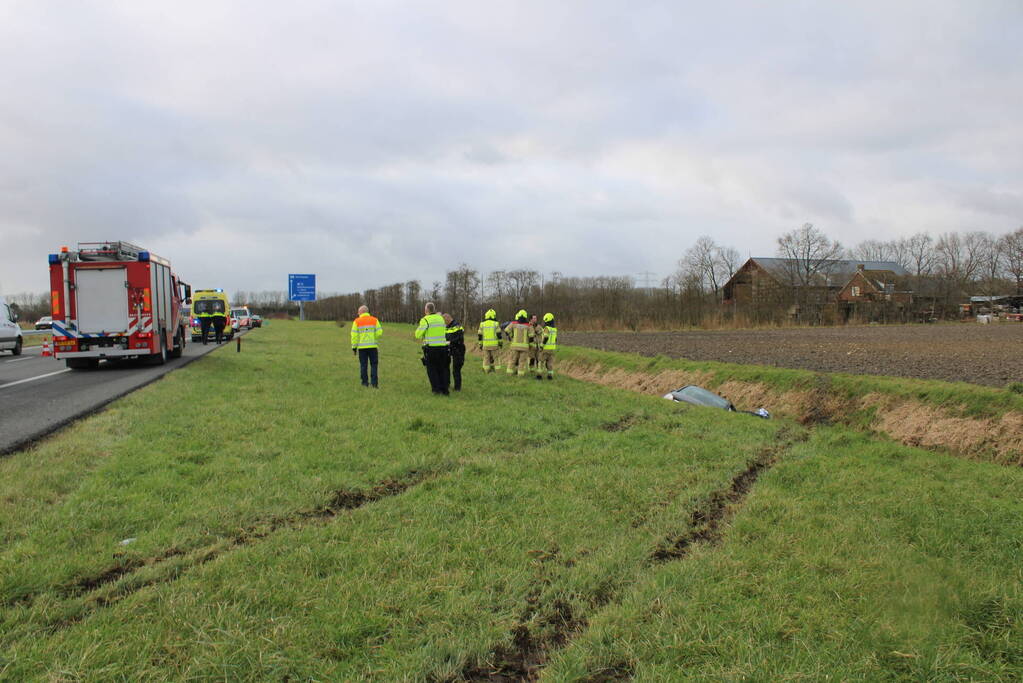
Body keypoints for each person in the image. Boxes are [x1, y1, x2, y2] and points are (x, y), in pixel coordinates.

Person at [415, 302, 450, 394]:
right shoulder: (441, 319)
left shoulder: (425, 320)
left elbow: (418, 335)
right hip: (443, 348)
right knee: (442, 369)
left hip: (431, 348)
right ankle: (445, 389)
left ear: (426, 310)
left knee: (432, 370)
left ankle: (436, 389)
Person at [350, 305, 383, 388]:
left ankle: (364, 383)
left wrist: (354, 347)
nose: (357, 313)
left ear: (361, 312)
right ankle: (374, 384)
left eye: (358, 311)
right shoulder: (375, 320)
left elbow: (354, 336)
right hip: (373, 347)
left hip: (362, 348)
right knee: (374, 365)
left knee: (363, 365)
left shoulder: (356, 321)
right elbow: (379, 333)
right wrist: (374, 338)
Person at [504, 309, 534, 376]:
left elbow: (506, 330)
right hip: (524, 347)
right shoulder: (529, 326)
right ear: (525, 317)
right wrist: (530, 345)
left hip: (514, 346)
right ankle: (520, 375)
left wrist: (511, 337)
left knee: (512, 360)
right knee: (522, 362)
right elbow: (531, 337)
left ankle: (509, 374)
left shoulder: (513, 324)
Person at [443, 313, 466, 391]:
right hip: (450, 349)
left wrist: (450, 342)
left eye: (445, 321)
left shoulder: (457, 326)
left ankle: (457, 388)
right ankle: (447, 384)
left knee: (456, 369)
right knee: (446, 367)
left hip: (458, 350)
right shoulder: (447, 327)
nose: (444, 323)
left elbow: (459, 339)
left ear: (448, 319)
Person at [536, 312, 558, 380]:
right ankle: (550, 376)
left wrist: (541, 345)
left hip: (545, 349)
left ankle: (539, 376)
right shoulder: (554, 329)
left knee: (541, 362)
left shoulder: (546, 328)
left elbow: (545, 337)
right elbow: (555, 339)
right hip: (552, 349)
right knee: (550, 363)